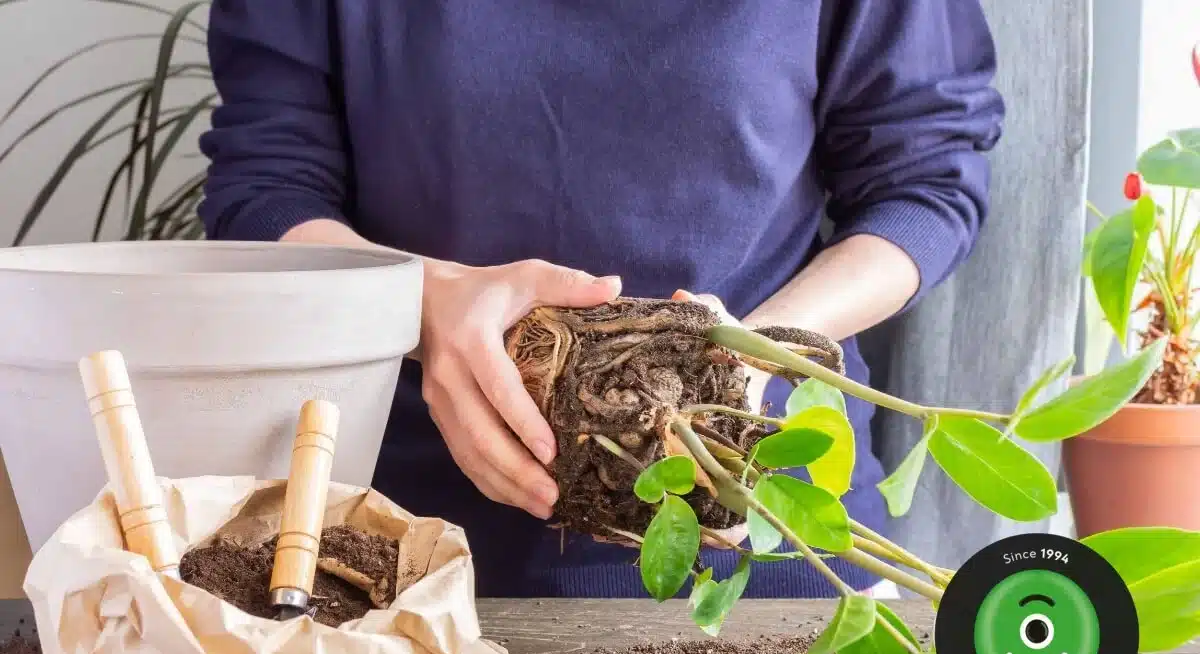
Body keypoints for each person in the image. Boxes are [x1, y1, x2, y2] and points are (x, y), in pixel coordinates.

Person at [198, 1, 1005, 598]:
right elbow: (266, 188)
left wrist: (759, 352)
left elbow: (923, 181)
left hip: (764, 513)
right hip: (402, 544)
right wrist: (421, 302)